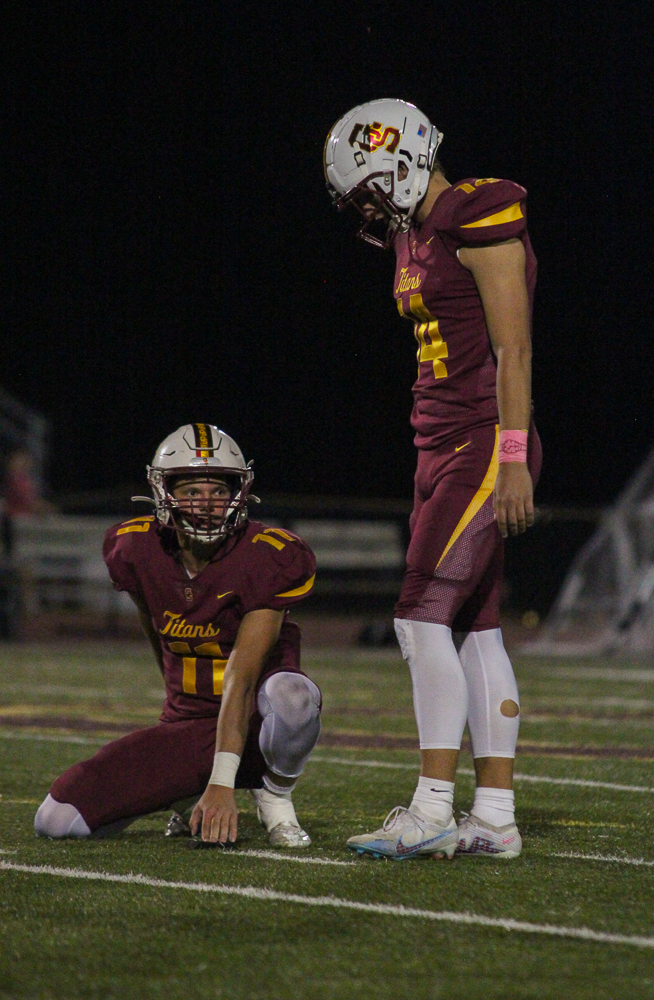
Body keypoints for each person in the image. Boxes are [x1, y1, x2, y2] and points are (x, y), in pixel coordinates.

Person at [324, 99, 542, 859]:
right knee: (475, 629)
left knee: (419, 615)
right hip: (437, 445)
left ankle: (432, 807)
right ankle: (496, 817)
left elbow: (514, 351)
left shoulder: (478, 212)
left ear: (408, 160)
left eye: (373, 191)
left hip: (484, 443)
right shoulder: (414, 234)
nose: (372, 211)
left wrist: (512, 458)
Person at [34, 423, 321, 848]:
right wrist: (175, 758)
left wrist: (222, 782)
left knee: (293, 695)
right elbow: (161, 645)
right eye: (191, 492)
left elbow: (241, 680)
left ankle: (275, 795)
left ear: (239, 494)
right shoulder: (136, 549)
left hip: (261, 726)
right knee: (57, 820)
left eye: (218, 491)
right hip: (191, 724)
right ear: (163, 492)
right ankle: (186, 797)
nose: (206, 504)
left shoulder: (267, 555)